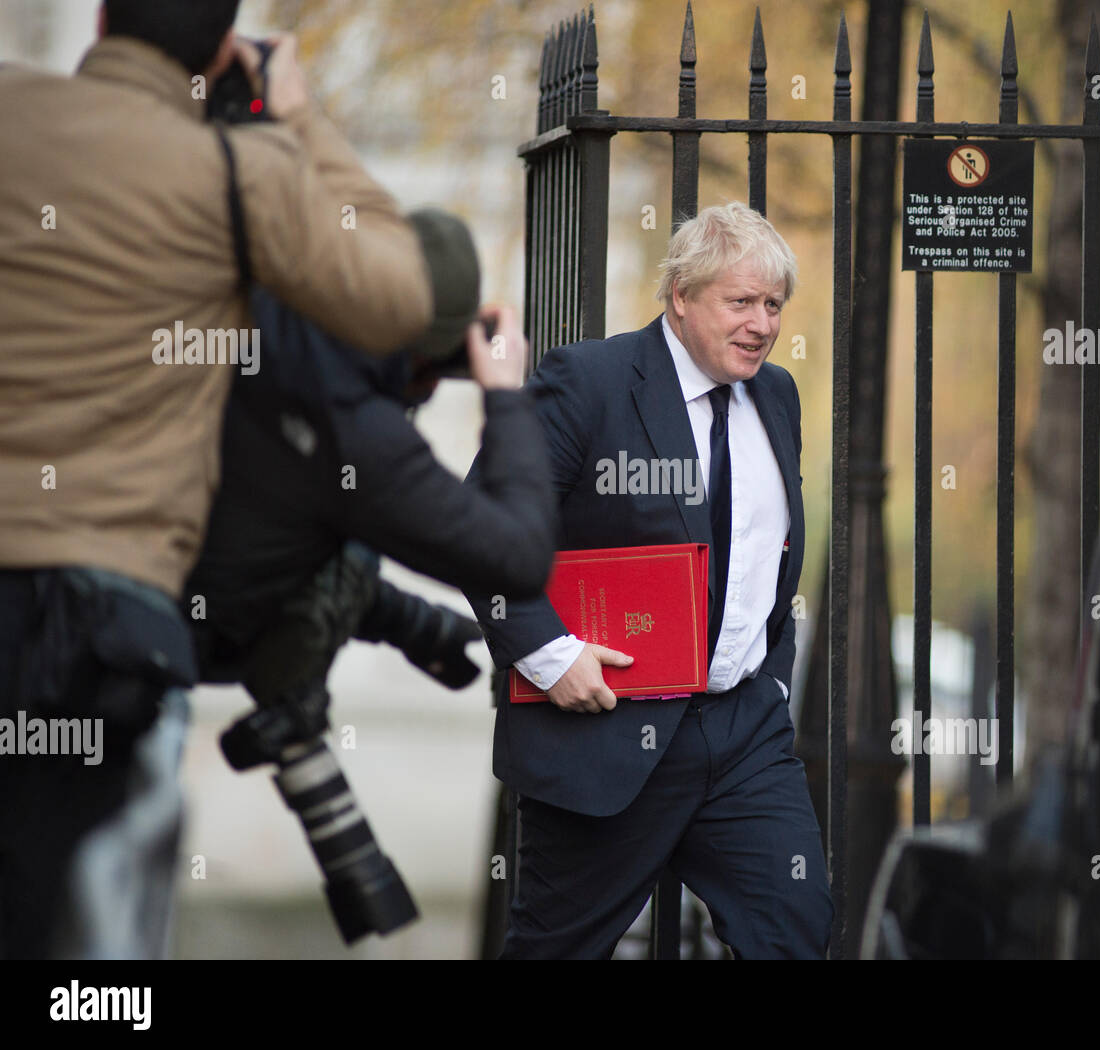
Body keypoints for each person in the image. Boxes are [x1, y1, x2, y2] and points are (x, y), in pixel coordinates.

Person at [0, 0, 432, 958]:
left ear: (104, 22)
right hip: (103, 625)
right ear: (226, 45)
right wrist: (299, 116)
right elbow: (403, 298)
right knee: (86, 948)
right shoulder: (241, 175)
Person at [463, 202, 834, 958]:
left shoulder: (777, 396)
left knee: (796, 932)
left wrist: (775, 684)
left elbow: (771, 552)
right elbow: (481, 525)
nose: (761, 324)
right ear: (680, 297)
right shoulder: (591, 382)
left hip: (744, 739)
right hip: (605, 732)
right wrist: (549, 655)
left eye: (772, 305)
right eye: (740, 302)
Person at [187, 207, 555, 702]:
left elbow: (271, 536)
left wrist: (412, 623)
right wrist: (506, 399)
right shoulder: (360, 434)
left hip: (99, 603)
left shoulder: (258, 316)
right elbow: (520, 558)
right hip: (141, 656)